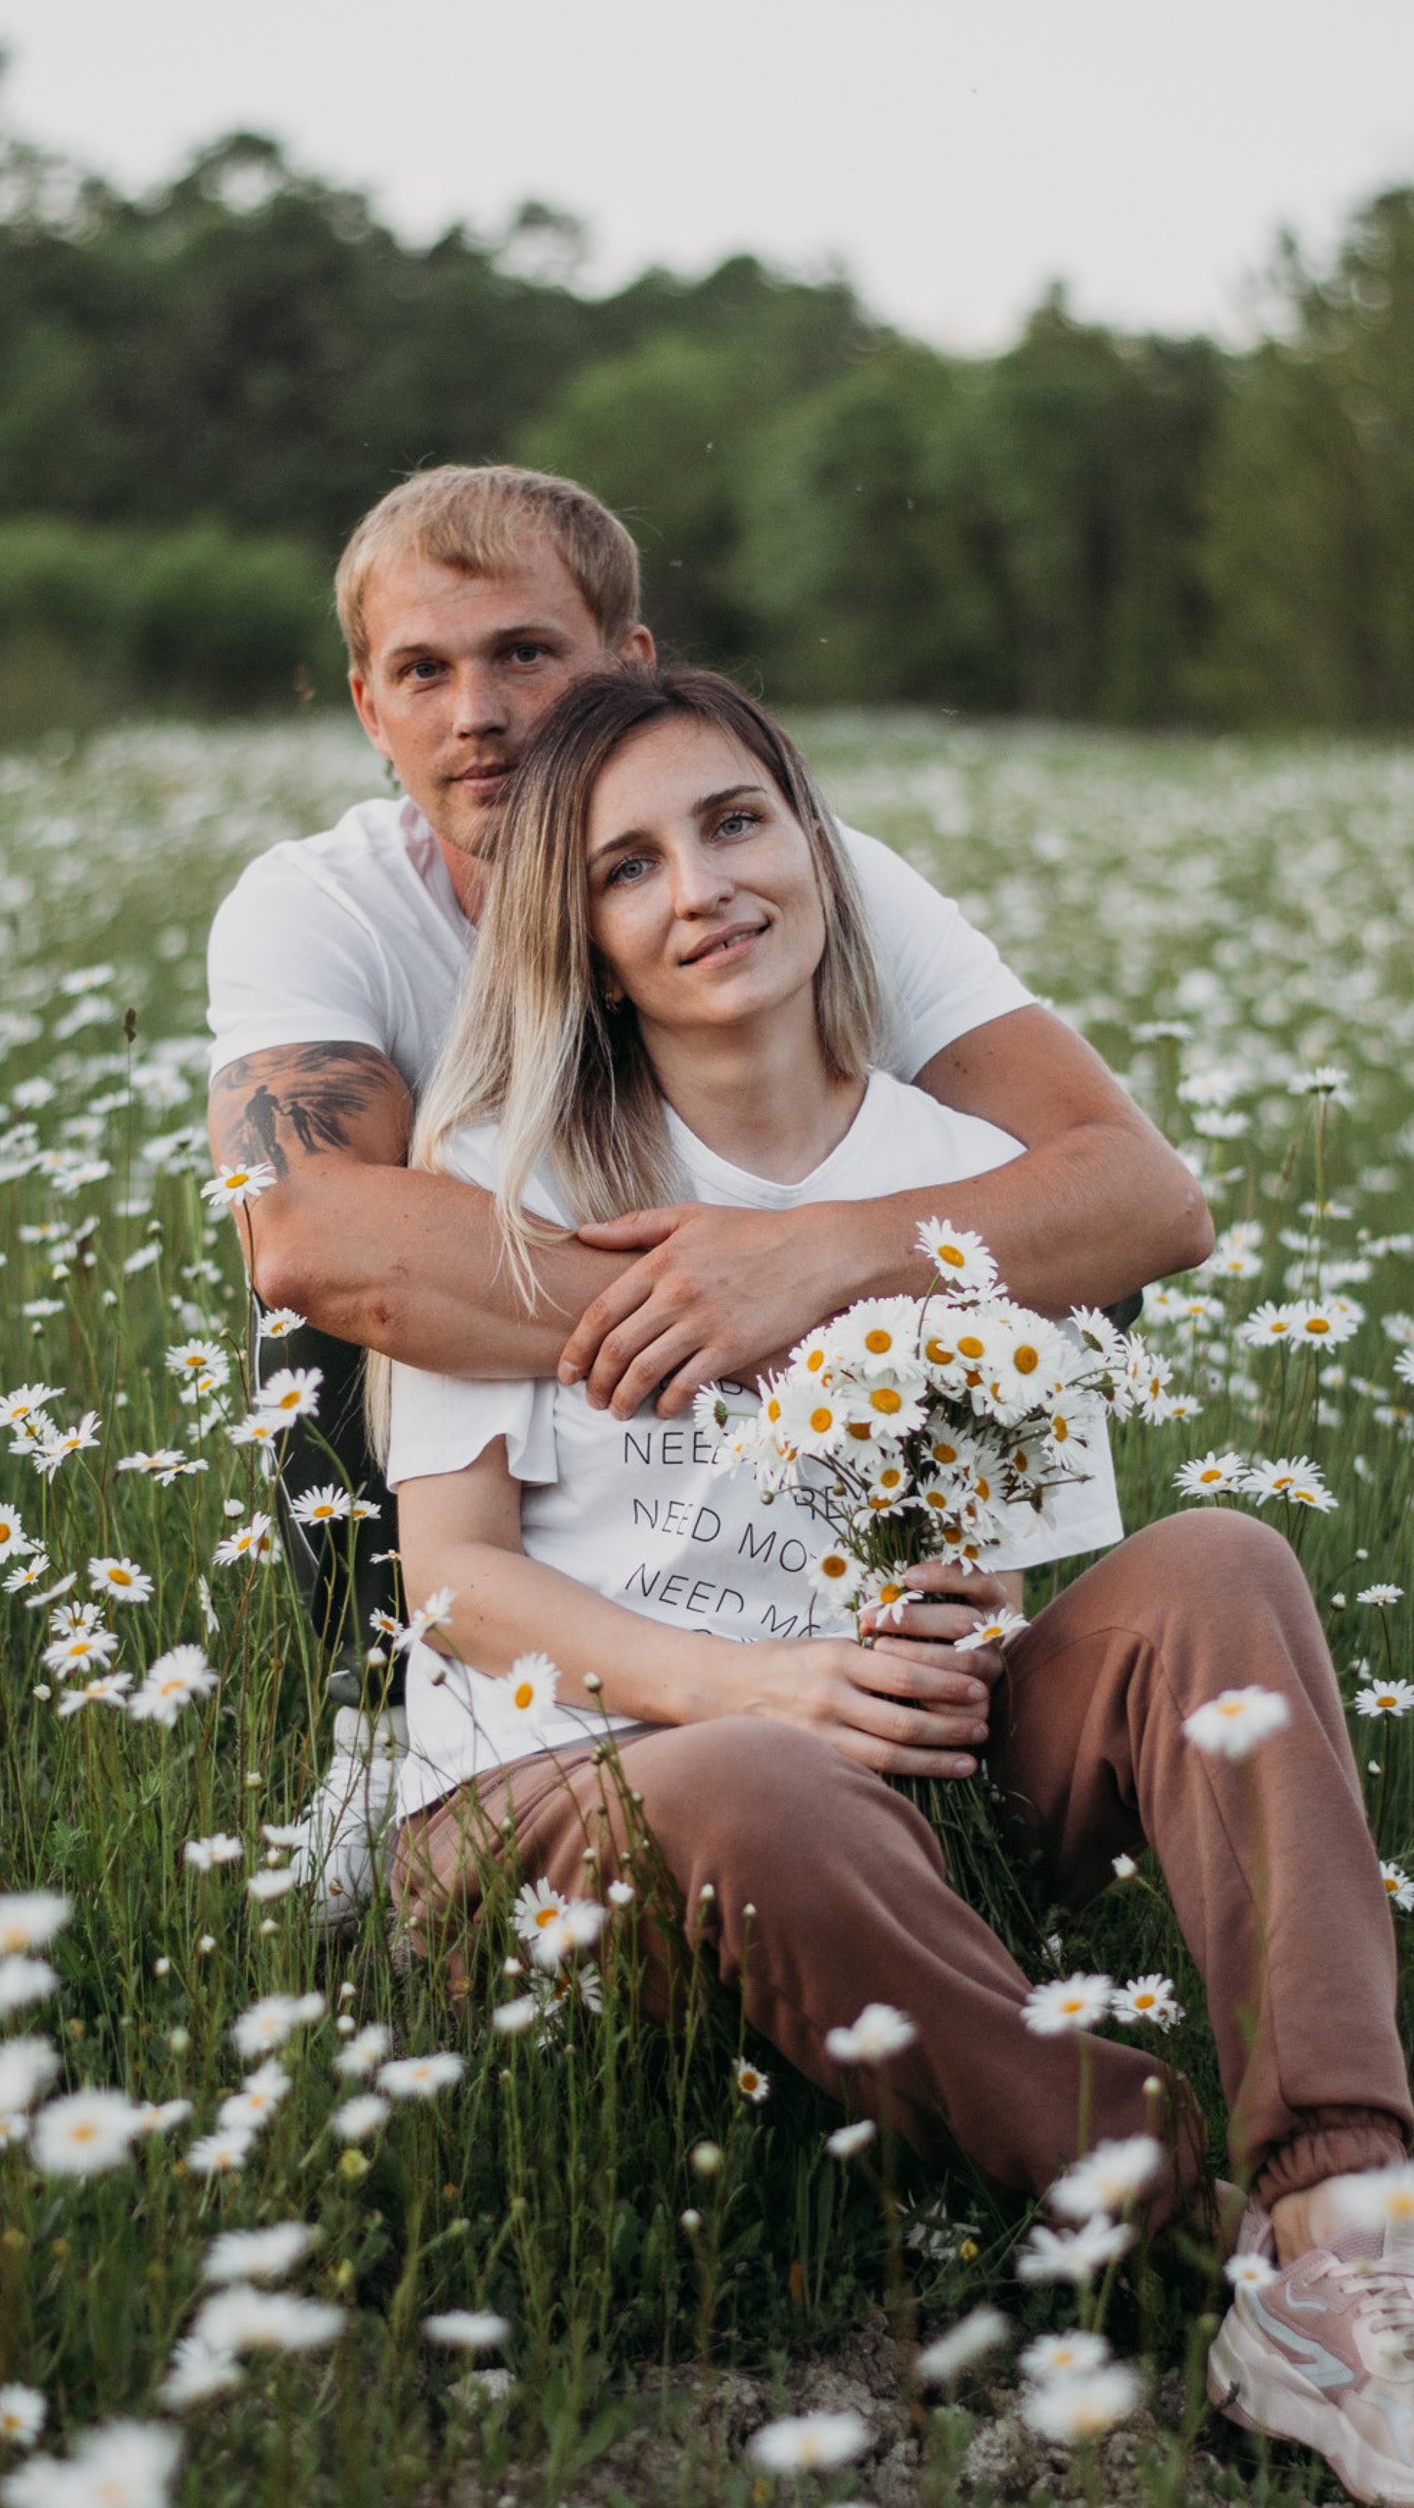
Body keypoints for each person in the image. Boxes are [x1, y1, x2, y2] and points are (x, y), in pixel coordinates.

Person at [375, 660, 1414, 2508]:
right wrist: (753, 1683)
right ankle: (1192, 2213)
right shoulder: (510, 1174)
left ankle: (1340, 2200)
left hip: (871, 1798)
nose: (699, 889)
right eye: (630, 868)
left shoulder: (970, 1188)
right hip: (556, 1801)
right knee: (760, 1774)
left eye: (733, 823)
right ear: (585, 933)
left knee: (1218, 1564)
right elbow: (452, 1583)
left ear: (821, 848)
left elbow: (994, 1578)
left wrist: (915, 1635)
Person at [204, 466, 1209, 1906]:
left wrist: (815, 1264)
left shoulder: (776, 871)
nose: (475, 714)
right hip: (511, 1451)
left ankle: (910, 1664)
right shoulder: (324, 903)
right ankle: (386, 1723)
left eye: (524, 656)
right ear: (369, 710)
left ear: (628, 666)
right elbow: (307, 1238)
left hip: (751, 1458)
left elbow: (1141, 1204)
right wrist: (729, 1317)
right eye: (423, 671)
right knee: (336, 1291)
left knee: (1030, 1244)